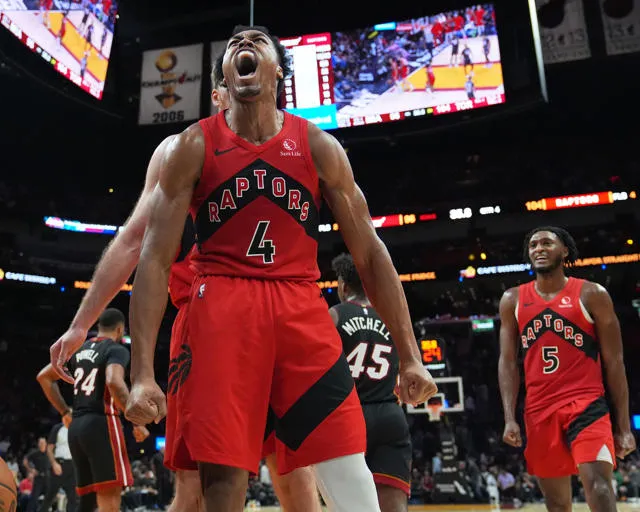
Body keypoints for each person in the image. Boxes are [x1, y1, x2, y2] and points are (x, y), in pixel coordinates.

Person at [124, 25, 435, 512]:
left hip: (299, 306)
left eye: (257, 41)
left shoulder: (317, 146)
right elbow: (154, 260)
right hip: (222, 306)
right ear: (223, 79)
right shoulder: (193, 146)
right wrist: (142, 372)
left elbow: (371, 254)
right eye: (232, 44)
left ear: (280, 72)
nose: (243, 45)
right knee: (223, 481)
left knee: (346, 460)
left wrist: (410, 354)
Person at [49, 53, 322, 512]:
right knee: (196, 484)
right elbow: (132, 241)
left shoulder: (291, 145)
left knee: (293, 468)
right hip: (205, 324)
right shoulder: (184, 149)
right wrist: (82, 323)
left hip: (275, 319)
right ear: (216, 93)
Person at [498, 226, 636, 512]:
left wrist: (623, 426)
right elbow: (508, 361)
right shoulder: (513, 300)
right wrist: (509, 418)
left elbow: (615, 361)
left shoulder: (592, 294)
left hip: (586, 404)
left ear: (565, 251)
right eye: (533, 244)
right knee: (557, 504)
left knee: (598, 486)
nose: (538, 248)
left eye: (547, 243)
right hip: (539, 410)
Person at [330, 253, 412, 512]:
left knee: (350, 506)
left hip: (349, 416)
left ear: (343, 285)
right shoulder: (393, 317)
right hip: (391, 415)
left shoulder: (334, 315)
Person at [37, 308, 136, 512]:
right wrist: (136, 420)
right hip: (102, 423)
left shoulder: (79, 349)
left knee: (87, 502)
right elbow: (114, 382)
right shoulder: (116, 349)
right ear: (120, 330)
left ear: (99, 327)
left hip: (76, 427)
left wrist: (65, 411)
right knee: (110, 499)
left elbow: (44, 377)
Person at [38, 422, 78, 512]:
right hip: (59, 464)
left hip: (73, 465)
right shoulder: (58, 428)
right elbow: (49, 448)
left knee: (73, 498)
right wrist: (54, 463)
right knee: (50, 496)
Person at [24, 437, 51, 512]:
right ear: (38, 444)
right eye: (40, 443)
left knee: (49, 497)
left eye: (43, 443)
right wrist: (31, 469)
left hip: (48, 478)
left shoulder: (49, 453)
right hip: (38, 478)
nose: (42, 444)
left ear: (46, 444)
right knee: (34, 498)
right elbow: (25, 460)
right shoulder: (35, 453)